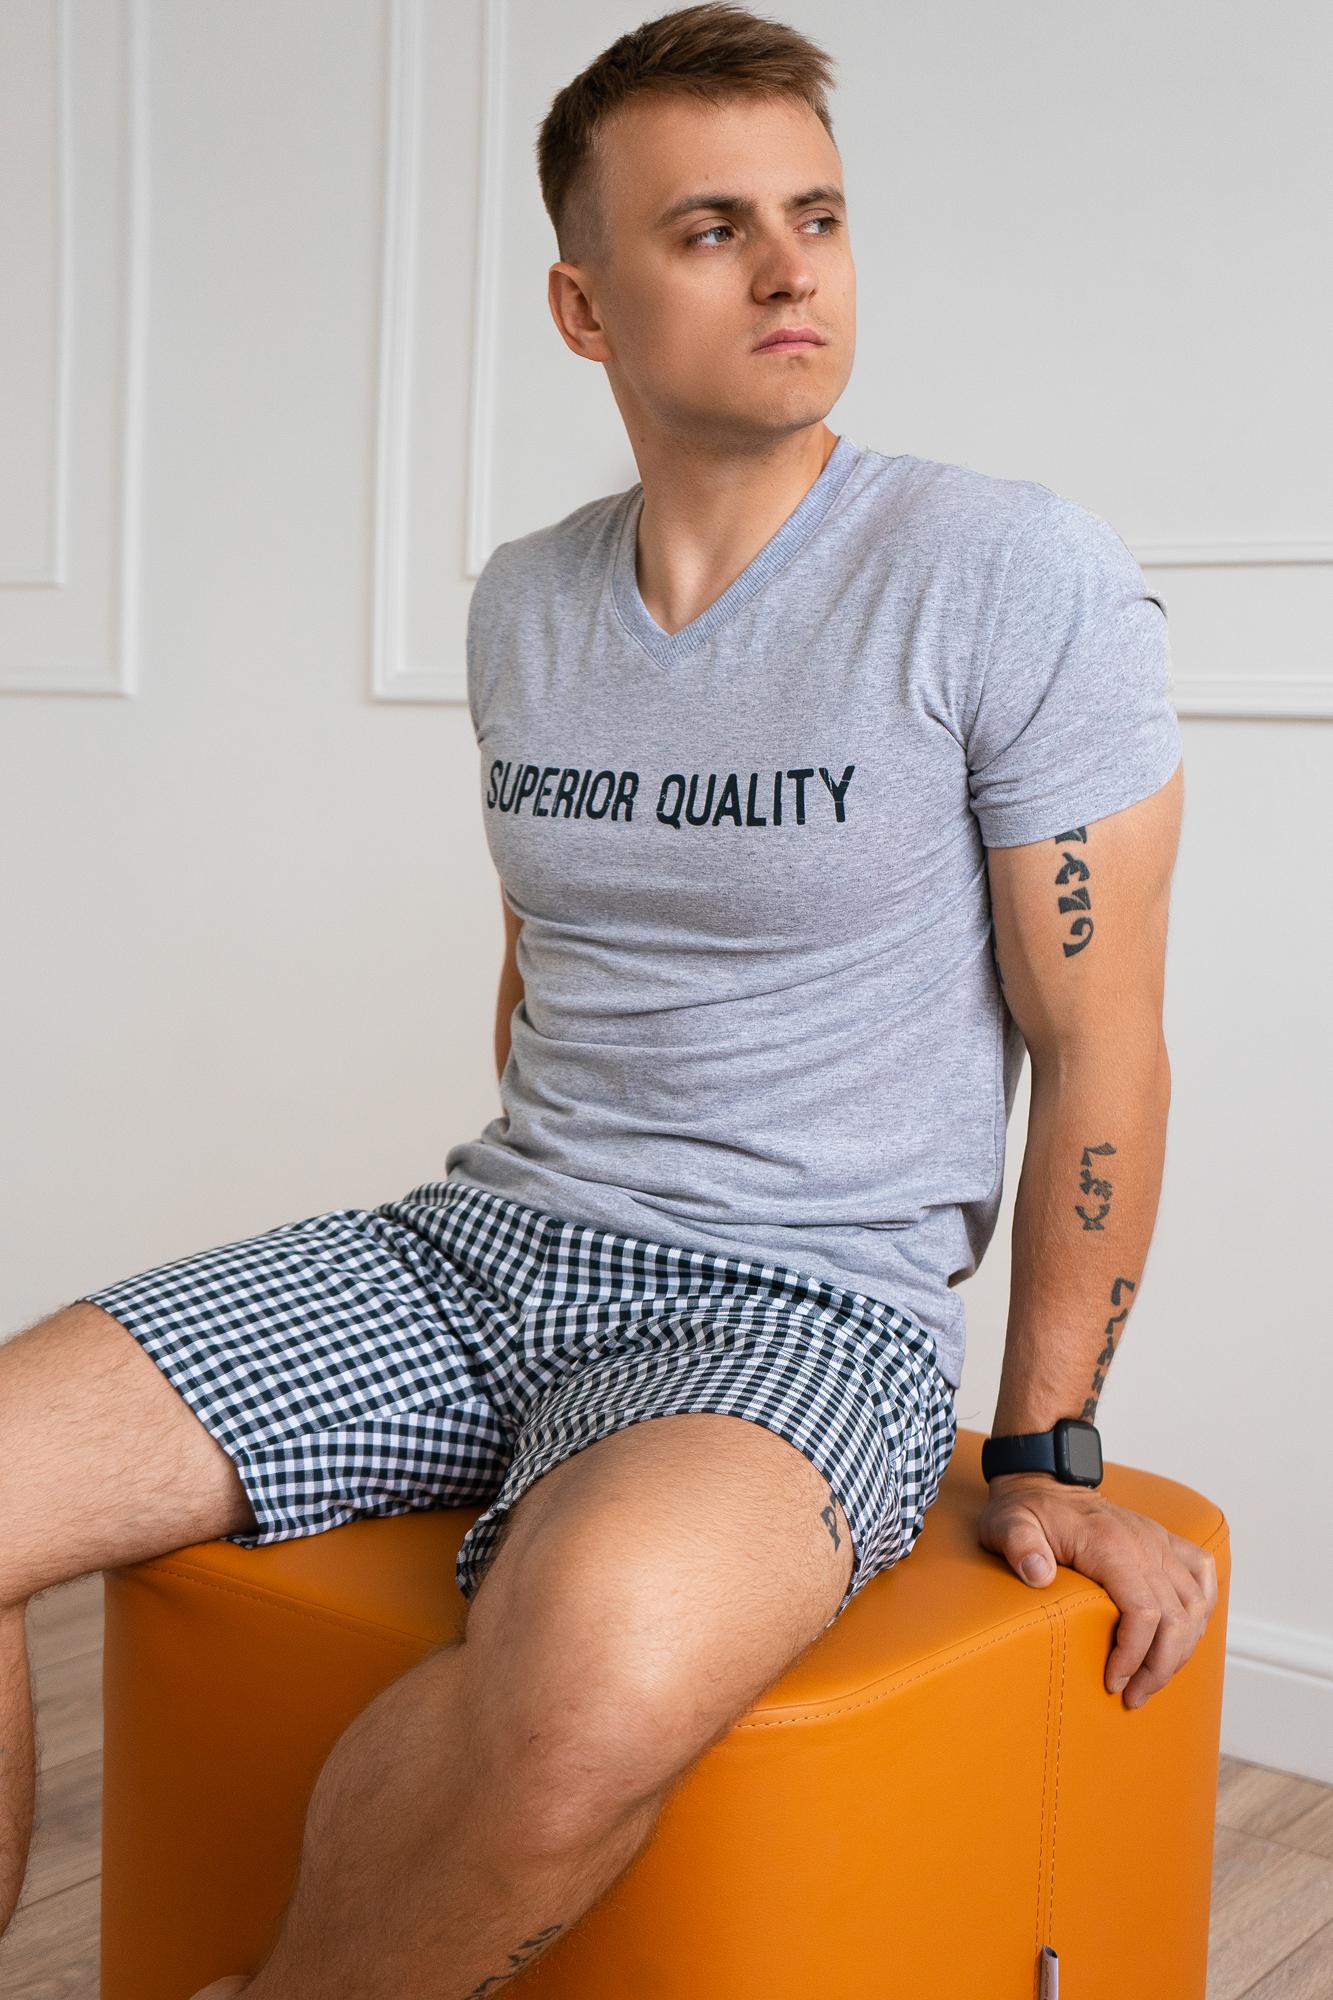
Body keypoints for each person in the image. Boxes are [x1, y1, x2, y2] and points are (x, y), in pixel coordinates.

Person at [0, 6, 1217, 1995]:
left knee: (591, 1682)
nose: (789, 268)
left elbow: (1102, 1046)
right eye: (711, 228)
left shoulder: (1005, 572)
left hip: (797, 1300)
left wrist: (1045, 1450)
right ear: (584, 305)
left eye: (816, 216)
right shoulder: (525, 602)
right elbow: (544, 966)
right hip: (476, 1250)